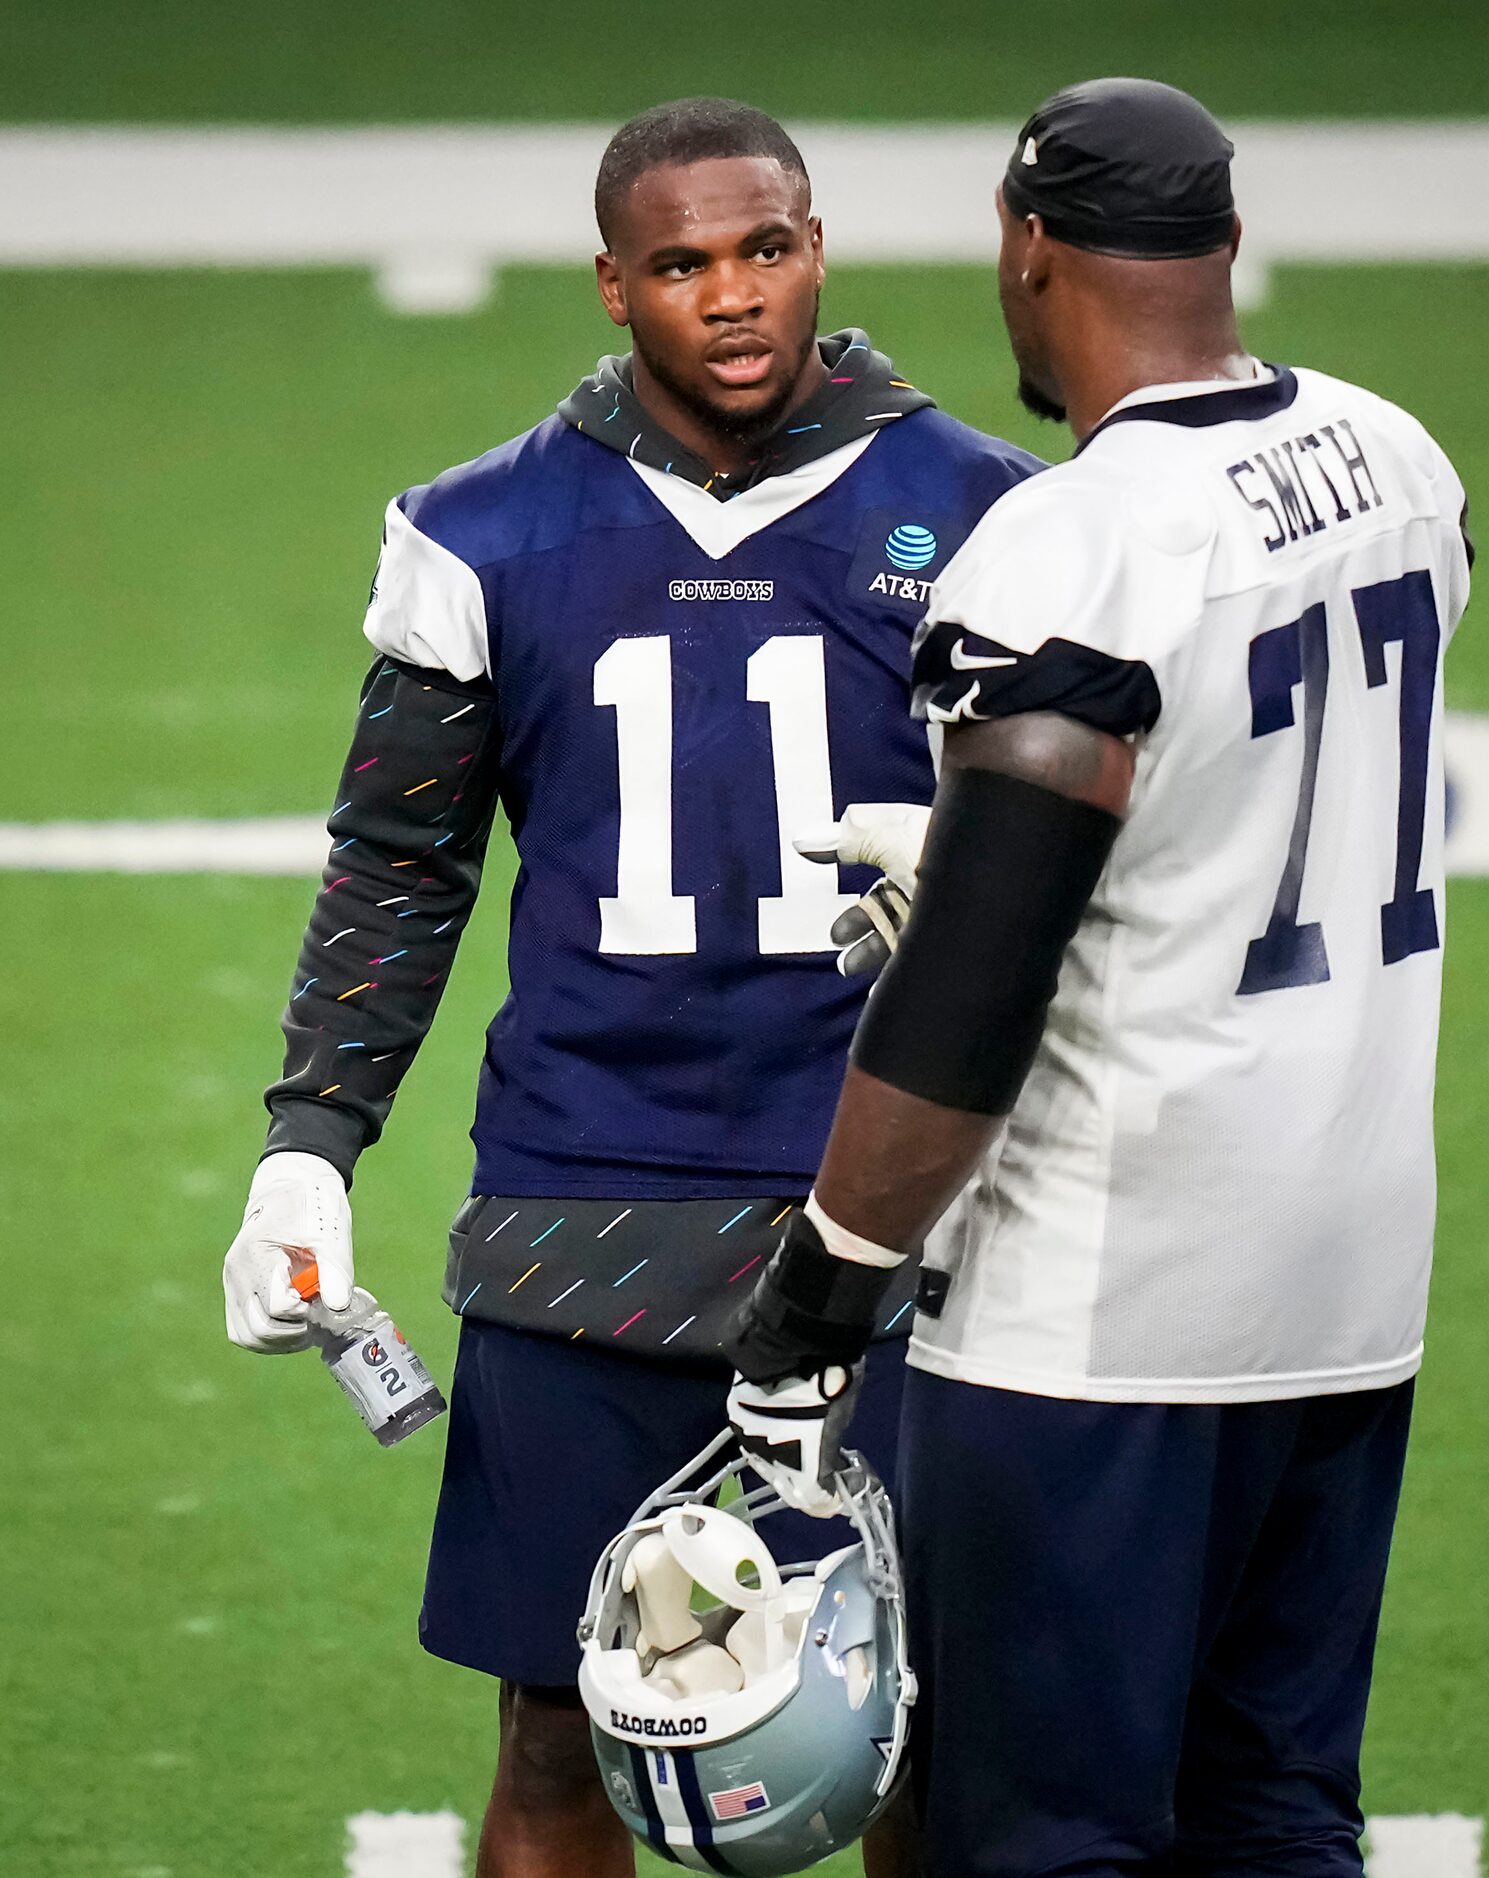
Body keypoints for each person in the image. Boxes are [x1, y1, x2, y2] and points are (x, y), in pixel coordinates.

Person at [220, 97, 1039, 1878]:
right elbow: (399, 856)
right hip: (582, 1201)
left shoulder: (992, 515)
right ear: (613, 287)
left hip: (899, 1191)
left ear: (817, 249)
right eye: (682, 265)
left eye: (766, 250)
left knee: (922, 1712)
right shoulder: (480, 533)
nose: (733, 297)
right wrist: (308, 1144)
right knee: (561, 1712)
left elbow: (1087, 871)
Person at [725, 77, 1474, 1878]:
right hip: (1351, 1278)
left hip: (1109, 1311)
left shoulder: (1077, 537)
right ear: (1223, 244)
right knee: (1276, 1813)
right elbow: (1259, 774)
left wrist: (817, 1298)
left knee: (1043, 1836)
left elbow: (973, 995)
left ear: (1028, 243)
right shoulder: (1399, 457)